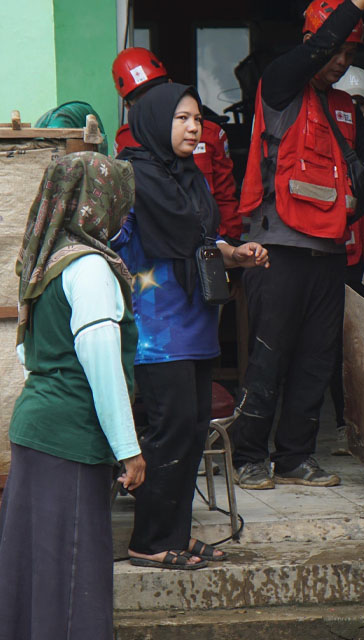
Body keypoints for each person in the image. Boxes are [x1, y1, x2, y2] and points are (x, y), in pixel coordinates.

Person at [231, 0, 364, 490]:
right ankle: (250, 455)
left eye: (349, 54)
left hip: (329, 252)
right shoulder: (279, 87)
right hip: (278, 247)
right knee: (270, 356)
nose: (340, 61)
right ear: (312, 47)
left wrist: (350, 215)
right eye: (334, 51)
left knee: (316, 360)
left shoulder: (347, 108)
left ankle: (295, 456)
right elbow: (320, 44)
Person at [0, 151, 144, 639]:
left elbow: (29, 356)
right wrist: (128, 448)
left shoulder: (43, 262)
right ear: (96, 204)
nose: (123, 213)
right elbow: (102, 363)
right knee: (72, 572)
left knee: (28, 570)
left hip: (35, 429)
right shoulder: (90, 269)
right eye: (118, 202)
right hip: (69, 438)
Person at [114, 83, 268, 569]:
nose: (193, 127)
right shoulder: (130, 180)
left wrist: (236, 254)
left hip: (198, 325)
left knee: (191, 434)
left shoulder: (190, 178)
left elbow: (204, 240)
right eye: (182, 118)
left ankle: (176, 535)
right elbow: (114, 246)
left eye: (197, 120)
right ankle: (150, 540)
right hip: (157, 333)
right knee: (167, 435)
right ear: (158, 122)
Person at [112, 47, 241, 239]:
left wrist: (227, 247)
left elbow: (224, 198)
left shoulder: (207, 133)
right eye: (141, 99)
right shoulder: (125, 140)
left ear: (171, 85)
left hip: (207, 245)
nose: (152, 102)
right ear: (128, 106)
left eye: (157, 90)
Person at [328, 65, 364, 455]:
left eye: (361, 105)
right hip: (335, 261)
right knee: (334, 346)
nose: (354, 114)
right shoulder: (327, 162)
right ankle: (345, 422)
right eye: (348, 106)